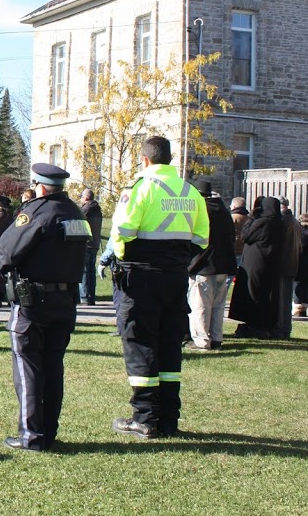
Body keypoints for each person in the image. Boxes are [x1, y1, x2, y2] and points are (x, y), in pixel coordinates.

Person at [109, 136, 209, 440]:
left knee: (140, 343)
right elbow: (201, 239)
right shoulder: (191, 192)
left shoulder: (139, 188)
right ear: (170, 159)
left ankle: (144, 417)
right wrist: (176, 261)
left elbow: (121, 233)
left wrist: (124, 261)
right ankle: (168, 418)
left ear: (145, 160)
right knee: (169, 345)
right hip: (175, 277)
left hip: (141, 278)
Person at [0, 163, 90, 451]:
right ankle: (48, 431)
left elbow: (7, 251)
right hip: (65, 299)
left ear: (40, 186)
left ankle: (31, 436)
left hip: (33, 301)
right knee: (53, 366)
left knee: (28, 367)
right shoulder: (75, 212)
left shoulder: (36, 212)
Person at [185, 183, 236, 350]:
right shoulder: (224, 212)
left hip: (203, 264)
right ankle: (216, 337)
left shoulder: (201, 211)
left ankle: (201, 340)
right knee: (218, 305)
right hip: (223, 264)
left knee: (200, 305)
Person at [229, 197, 283, 339]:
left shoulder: (263, 222)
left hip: (256, 264)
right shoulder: (279, 222)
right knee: (267, 295)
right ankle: (265, 325)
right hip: (270, 264)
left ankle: (255, 325)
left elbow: (246, 235)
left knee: (253, 294)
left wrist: (252, 217)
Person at [275, 197, 302, 338]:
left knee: (282, 300)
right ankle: (285, 328)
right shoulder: (294, 221)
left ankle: (282, 329)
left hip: (284, 264)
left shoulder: (285, 221)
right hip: (292, 263)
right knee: (286, 300)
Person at [79, 189, 103, 305]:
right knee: (91, 271)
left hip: (86, 244)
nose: (81, 199)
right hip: (95, 243)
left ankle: (84, 297)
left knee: (84, 271)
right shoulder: (97, 209)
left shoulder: (85, 210)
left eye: (81, 196)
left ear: (86, 198)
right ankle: (91, 297)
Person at [293, 213, 308, 317]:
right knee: (305, 285)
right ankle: (304, 307)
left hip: (298, 263)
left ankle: (298, 306)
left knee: (297, 285)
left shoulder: (298, 234)